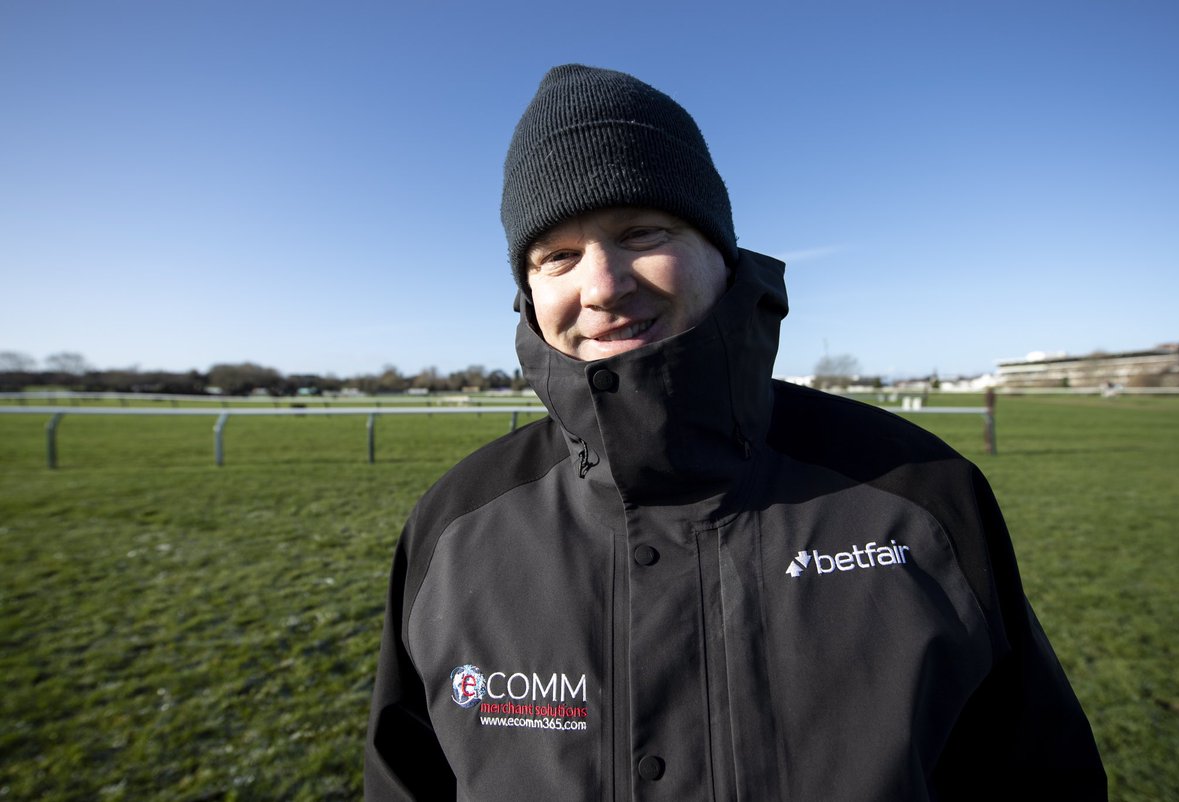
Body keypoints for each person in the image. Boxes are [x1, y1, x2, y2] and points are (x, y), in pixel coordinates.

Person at [364, 64, 1106, 801]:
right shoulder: (452, 526)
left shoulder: (920, 495)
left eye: (640, 231)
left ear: (720, 253)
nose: (602, 286)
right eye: (556, 256)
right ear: (528, 291)